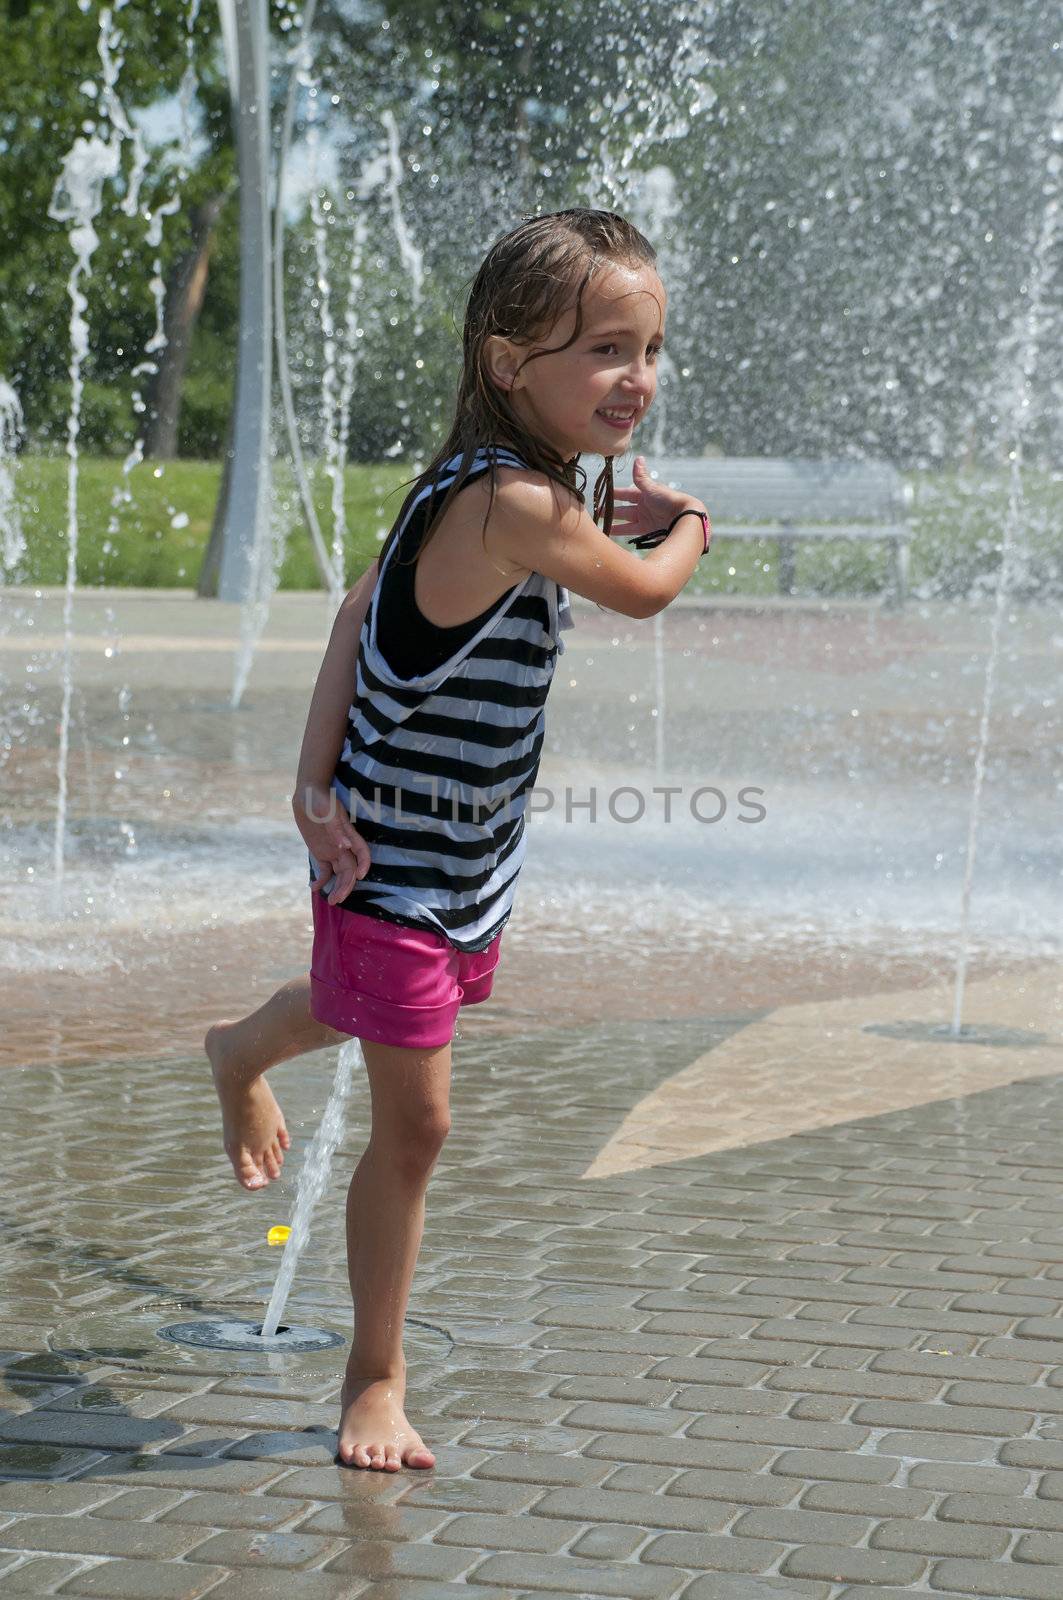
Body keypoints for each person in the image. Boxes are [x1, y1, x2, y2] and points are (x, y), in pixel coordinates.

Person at [206, 207, 712, 1472]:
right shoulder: (513, 501)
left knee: (360, 1016)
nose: (636, 377)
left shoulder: (474, 483)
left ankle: (239, 1047)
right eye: (604, 348)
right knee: (418, 1123)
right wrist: (693, 519)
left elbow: (352, 616)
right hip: (397, 864)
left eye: (649, 348)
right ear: (506, 362)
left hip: (454, 857)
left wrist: (306, 778)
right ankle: (372, 1379)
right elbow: (649, 590)